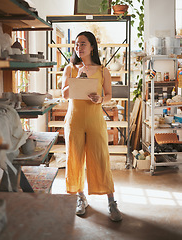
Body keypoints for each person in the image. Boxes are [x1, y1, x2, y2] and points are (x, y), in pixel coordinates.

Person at [62, 31, 122, 222]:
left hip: (95, 119)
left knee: (101, 158)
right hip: (75, 120)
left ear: (92, 47)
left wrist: (100, 100)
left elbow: (109, 95)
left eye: (82, 44)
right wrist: (78, 76)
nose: (78, 48)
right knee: (75, 158)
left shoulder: (103, 70)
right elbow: (64, 94)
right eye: (76, 44)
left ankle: (111, 201)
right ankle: (80, 198)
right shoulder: (70, 69)